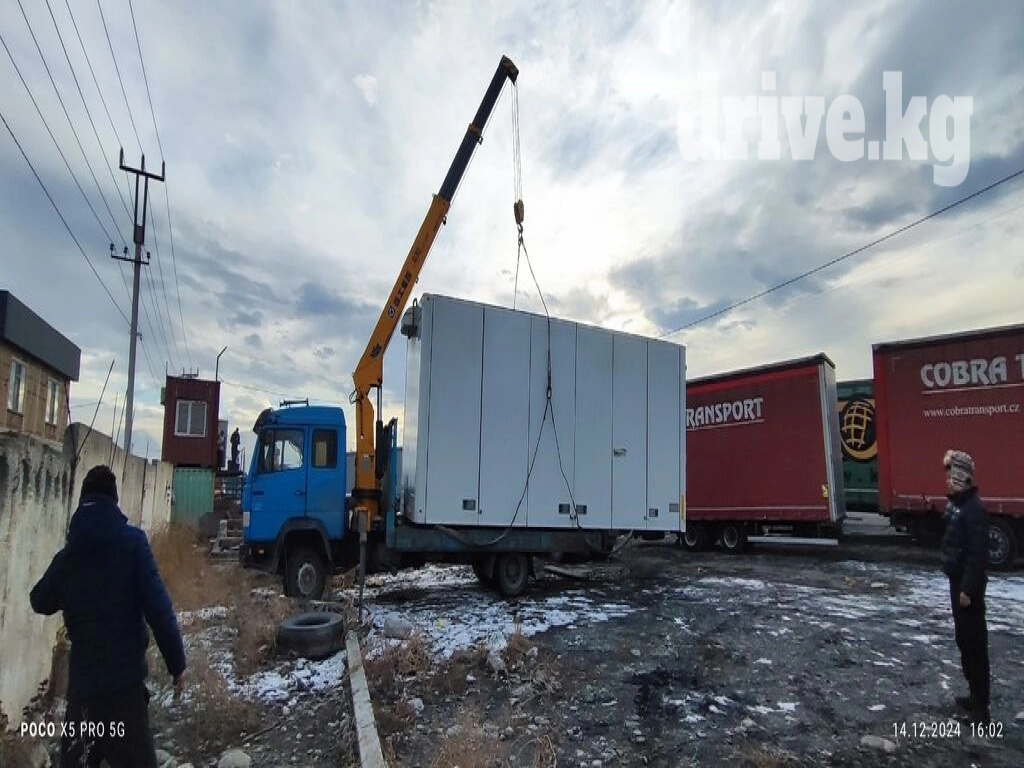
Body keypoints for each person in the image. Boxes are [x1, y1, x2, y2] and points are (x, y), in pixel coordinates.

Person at [30, 464, 186, 768]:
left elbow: (39, 600)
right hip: (124, 695)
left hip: (82, 697)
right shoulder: (133, 544)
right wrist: (177, 665)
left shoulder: (69, 557)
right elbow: (159, 611)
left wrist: (72, 583)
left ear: (82, 502)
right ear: (114, 501)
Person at [939, 449, 991, 726]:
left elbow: (977, 555)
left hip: (967, 589)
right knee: (964, 641)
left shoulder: (974, 510)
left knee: (975, 645)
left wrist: (968, 590)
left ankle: (982, 709)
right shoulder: (959, 505)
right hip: (957, 582)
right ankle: (973, 695)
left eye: (950, 475)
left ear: (960, 477)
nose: (947, 480)